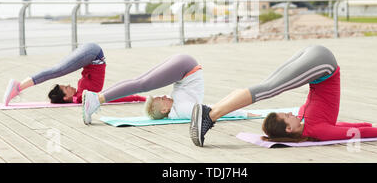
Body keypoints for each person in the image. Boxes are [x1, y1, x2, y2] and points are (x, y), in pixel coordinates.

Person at [189, 45, 377, 147]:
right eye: (286, 116)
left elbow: (341, 126)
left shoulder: (308, 123)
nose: (291, 112)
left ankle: (211, 112)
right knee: (268, 87)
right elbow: (353, 132)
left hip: (319, 63)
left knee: (267, 86)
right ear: (289, 129)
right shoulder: (316, 129)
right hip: (321, 63)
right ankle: (211, 113)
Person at [81, 53, 259, 125]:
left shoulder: (175, 109)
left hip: (185, 67)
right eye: (160, 99)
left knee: (141, 83)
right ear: (165, 109)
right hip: (185, 67)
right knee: (140, 82)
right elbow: (214, 110)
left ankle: (96, 99)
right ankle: (96, 98)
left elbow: (211, 110)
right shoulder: (182, 109)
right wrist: (244, 113)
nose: (163, 95)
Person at [2, 43, 145, 105]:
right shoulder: (83, 98)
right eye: (66, 88)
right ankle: (18, 86)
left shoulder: (80, 95)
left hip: (91, 54)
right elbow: (111, 97)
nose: (69, 85)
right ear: (66, 97)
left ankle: (19, 86)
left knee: (57, 70)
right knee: (56, 70)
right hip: (93, 54)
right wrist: (138, 98)